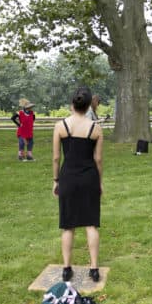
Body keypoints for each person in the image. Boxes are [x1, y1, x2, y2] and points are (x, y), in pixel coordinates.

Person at [53, 87, 103, 283]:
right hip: (89, 177)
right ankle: (94, 268)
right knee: (91, 224)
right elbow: (98, 160)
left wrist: (55, 180)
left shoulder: (60, 126)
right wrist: (100, 182)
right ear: (89, 104)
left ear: (72, 104)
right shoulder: (96, 128)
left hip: (68, 177)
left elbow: (56, 158)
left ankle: (66, 268)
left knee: (68, 226)